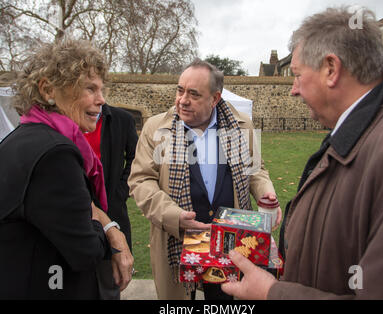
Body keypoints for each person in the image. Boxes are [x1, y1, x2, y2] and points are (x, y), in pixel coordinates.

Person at [221, 6, 383, 300]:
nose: (292, 90)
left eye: (297, 75)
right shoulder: (361, 131)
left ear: (331, 69)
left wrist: (273, 293)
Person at [128, 59, 282, 300]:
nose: (182, 100)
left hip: (231, 240)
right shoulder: (155, 128)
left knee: (225, 299)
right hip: (176, 240)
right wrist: (174, 217)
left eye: (194, 94)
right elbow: (141, 181)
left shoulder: (241, 126)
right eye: (180, 90)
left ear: (215, 98)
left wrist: (266, 192)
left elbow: (256, 170)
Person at [0, 39, 134, 299]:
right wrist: (106, 229)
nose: (101, 100)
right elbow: (87, 251)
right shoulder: (55, 154)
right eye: (90, 89)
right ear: (48, 89)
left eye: (102, 89)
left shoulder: (22, 137)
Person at [83, 103, 138, 299]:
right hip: (76, 211)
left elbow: (135, 158)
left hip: (112, 211)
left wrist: (120, 190)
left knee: (109, 284)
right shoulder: (66, 118)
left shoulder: (121, 119)